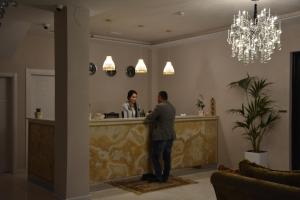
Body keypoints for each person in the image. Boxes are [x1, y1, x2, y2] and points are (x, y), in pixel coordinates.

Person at [145, 91, 176, 182]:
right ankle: (165, 176)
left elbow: (150, 118)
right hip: (170, 135)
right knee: (167, 157)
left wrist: (148, 115)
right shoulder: (172, 106)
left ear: (160, 97)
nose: (157, 99)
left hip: (161, 136)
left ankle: (158, 176)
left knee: (155, 156)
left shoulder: (159, 106)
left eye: (157, 97)